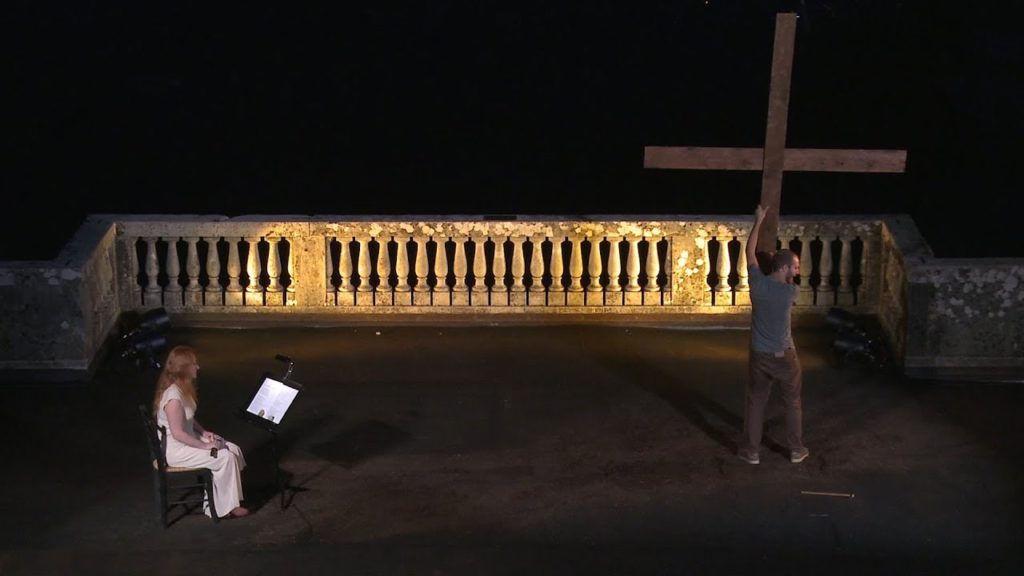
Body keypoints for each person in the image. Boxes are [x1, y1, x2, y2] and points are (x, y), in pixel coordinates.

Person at [738, 204, 809, 465]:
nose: (797, 272)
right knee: (792, 402)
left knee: (756, 402)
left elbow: (749, 252)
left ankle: (752, 451)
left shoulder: (757, 285)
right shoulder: (791, 291)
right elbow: (785, 282)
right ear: (784, 268)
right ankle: (796, 449)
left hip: (760, 354)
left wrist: (758, 220)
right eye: (795, 267)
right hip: (784, 355)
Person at [152, 345, 250, 518]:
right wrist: (204, 446)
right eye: (194, 364)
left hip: (188, 439)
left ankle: (226, 499)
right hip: (177, 451)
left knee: (232, 448)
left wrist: (203, 432)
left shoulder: (182, 388)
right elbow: (178, 434)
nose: (197, 367)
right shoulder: (173, 398)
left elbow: (188, 417)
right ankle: (222, 508)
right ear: (184, 369)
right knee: (224, 457)